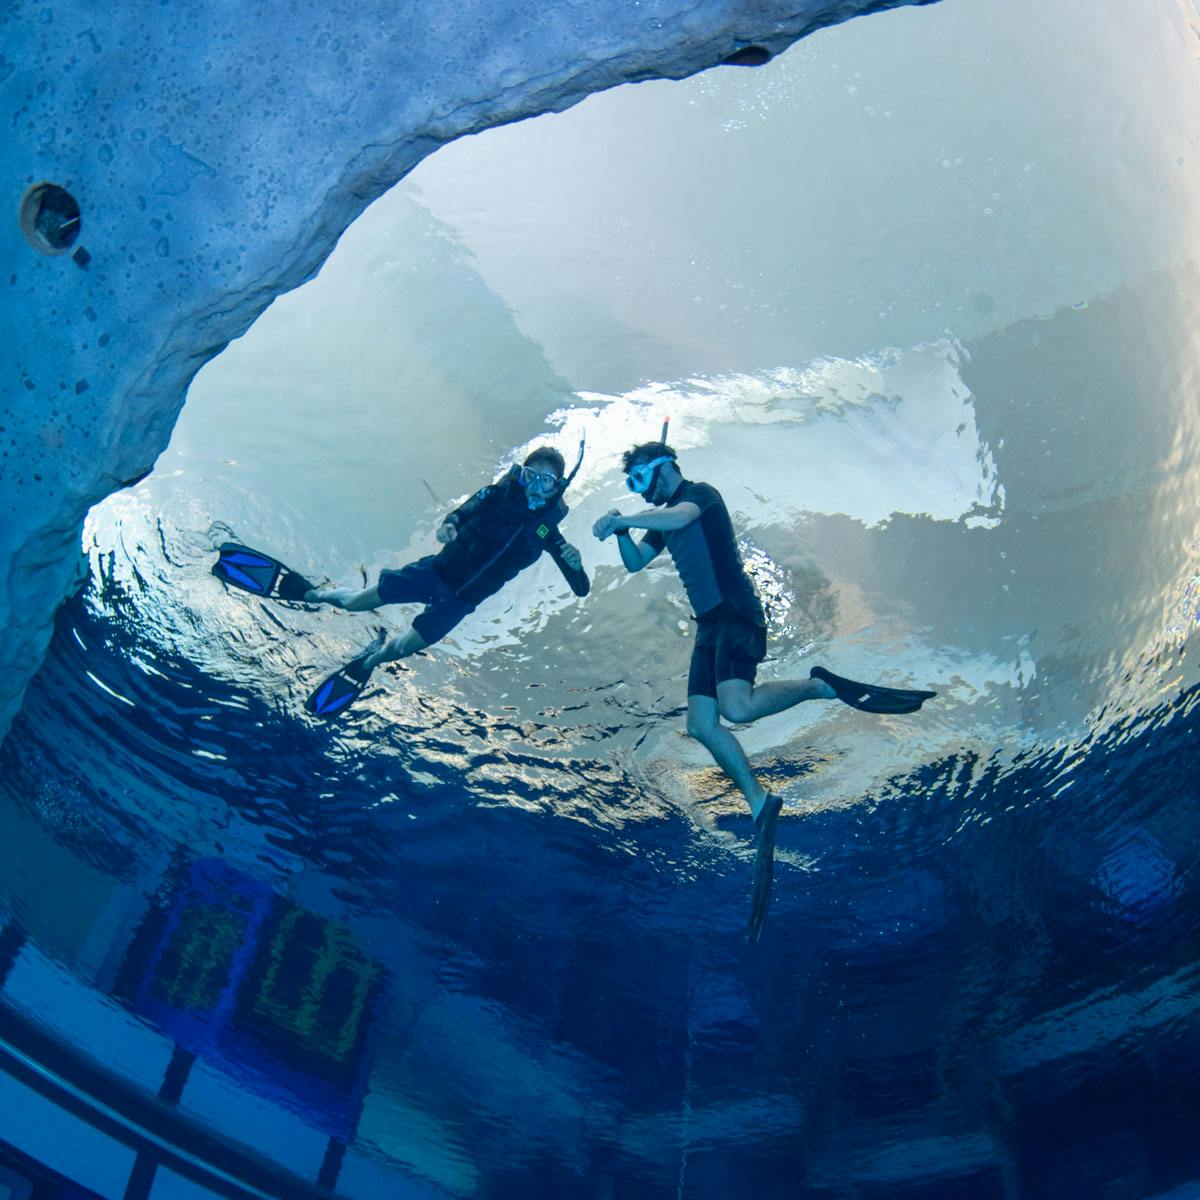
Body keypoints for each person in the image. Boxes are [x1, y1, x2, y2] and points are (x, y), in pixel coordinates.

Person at [593, 441, 934, 941]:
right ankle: (759, 801)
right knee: (700, 725)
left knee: (737, 708)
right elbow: (634, 562)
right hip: (708, 627)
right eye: (633, 484)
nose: (642, 490)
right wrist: (619, 530)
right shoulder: (658, 521)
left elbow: (681, 517)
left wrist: (624, 518)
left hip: (736, 612)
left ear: (666, 466)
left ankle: (820, 685)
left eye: (642, 477)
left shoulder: (699, 495)